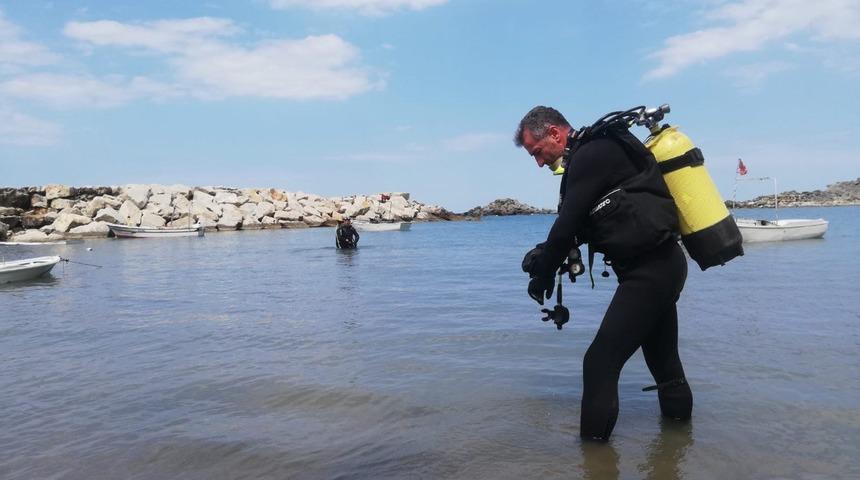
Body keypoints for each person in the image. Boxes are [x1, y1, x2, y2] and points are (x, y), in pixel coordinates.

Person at [515, 106, 693, 441]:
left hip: (650, 273)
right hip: (660, 266)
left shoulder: (592, 154)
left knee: (598, 364)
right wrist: (545, 253)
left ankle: (593, 461)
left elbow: (566, 223)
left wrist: (543, 277)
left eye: (537, 152)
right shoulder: (597, 153)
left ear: (554, 132)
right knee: (666, 367)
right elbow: (584, 225)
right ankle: (678, 452)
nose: (539, 163)